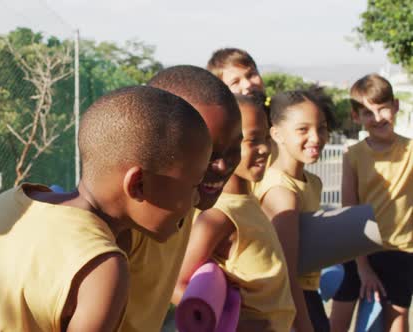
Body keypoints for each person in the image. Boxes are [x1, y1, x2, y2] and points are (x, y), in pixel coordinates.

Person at [0, 65, 242, 332]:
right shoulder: (102, 266)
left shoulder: (7, 204)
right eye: (192, 183)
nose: (197, 196)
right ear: (138, 185)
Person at [121, 65, 243, 332]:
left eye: (235, 147)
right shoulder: (119, 234)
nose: (223, 166)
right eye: (208, 151)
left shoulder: (185, 203)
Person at [174, 94, 295, 331]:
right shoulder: (218, 216)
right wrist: (236, 323)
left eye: (265, 137)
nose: (263, 148)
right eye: (251, 141)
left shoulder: (247, 201)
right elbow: (176, 284)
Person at [329, 74, 413, 332]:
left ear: (396, 106)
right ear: (356, 117)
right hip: (358, 252)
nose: (377, 118)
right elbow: (350, 213)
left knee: (397, 323)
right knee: (338, 322)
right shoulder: (353, 156)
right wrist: (363, 268)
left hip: (401, 252)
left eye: (382, 108)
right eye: (367, 112)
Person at [254, 87, 335, 332]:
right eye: (303, 129)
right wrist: (304, 325)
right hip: (291, 304)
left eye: (321, 127)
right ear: (276, 133)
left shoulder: (312, 182)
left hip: (307, 295)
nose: (316, 137)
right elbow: (286, 273)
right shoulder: (282, 192)